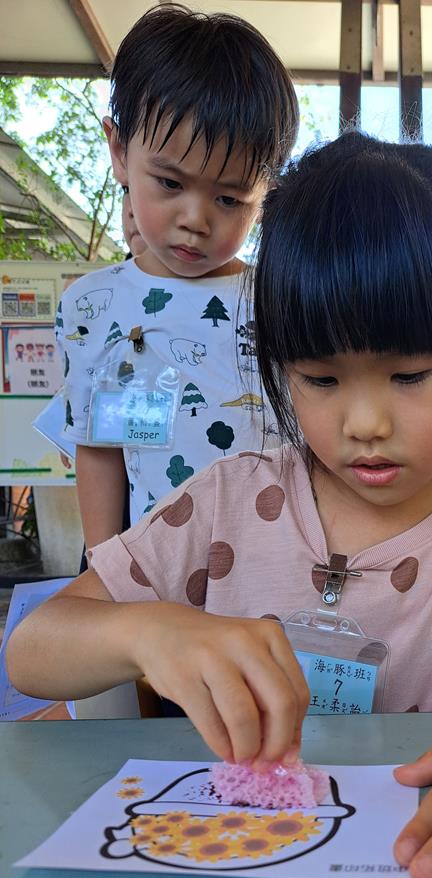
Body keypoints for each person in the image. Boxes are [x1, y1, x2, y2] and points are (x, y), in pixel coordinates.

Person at [8, 134, 432, 878]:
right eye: (321, 378)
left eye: (409, 374)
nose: (365, 422)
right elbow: (32, 649)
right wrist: (147, 631)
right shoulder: (224, 505)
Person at [58, 3, 298, 550]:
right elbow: (100, 447)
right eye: (170, 183)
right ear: (120, 151)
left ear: (266, 194)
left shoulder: (281, 300)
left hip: (276, 561)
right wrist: (104, 565)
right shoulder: (95, 306)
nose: (195, 219)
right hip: (153, 570)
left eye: (229, 198)